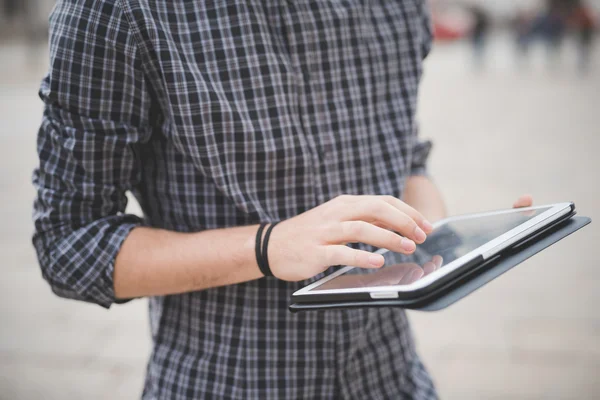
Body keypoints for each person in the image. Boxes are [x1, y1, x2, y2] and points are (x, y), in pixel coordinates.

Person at [32, 0, 533, 398]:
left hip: (394, 378)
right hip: (224, 384)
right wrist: (269, 246)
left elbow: (406, 160)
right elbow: (70, 242)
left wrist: (441, 246)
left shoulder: (395, 6)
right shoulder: (117, 11)